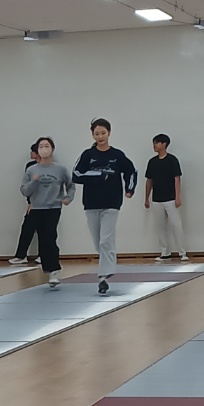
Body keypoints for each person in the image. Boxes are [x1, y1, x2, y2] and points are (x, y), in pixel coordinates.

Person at [73, 118, 137, 296]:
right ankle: (106, 269)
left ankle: (103, 276)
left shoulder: (117, 155)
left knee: (105, 240)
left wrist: (130, 189)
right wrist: (97, 176)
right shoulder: (87, 155)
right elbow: (76, 175)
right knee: (98, 242)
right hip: (91, 203)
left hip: (112, 203)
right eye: (97, 133)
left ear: (109, 133)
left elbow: (131, 171)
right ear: (92, 135)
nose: (100, 136)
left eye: (103, 133)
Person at [20, 136, 75, 288]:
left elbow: (71, 185)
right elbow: (24, 191)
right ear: (37, 150)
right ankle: (48, 267)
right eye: (41, 146)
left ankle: (54, 271)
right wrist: (34, 181)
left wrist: (68, 198)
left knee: (50, 237)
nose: (44, 149)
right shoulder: (31, 170)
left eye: (47, 146)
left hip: (53, 208)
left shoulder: (60, 169)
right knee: (42, 240)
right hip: (37, 208)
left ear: (52, 149)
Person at [144, 134, 186, 261]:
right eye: (153, 143)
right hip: (157, 199)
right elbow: (149, 181)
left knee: (176, 225)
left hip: (171, 198)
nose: (154, 146)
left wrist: (177, 197)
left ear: (164, 144)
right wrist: (146, 198)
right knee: (160, 227)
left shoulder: (172, 160)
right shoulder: (152, 162)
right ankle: (165, 252)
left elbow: (177, 179)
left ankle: (182, 252)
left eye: (156, 143)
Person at [8, 145, 41, 265]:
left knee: (46, 231)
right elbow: (28, 185)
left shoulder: (51, 166)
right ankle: (21, 256)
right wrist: (30, 202)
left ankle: (44, 255)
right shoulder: (30, 166)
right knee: (27, 228)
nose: (30, 154)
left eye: (32, 151)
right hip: (34, 202)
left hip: (48, 203)